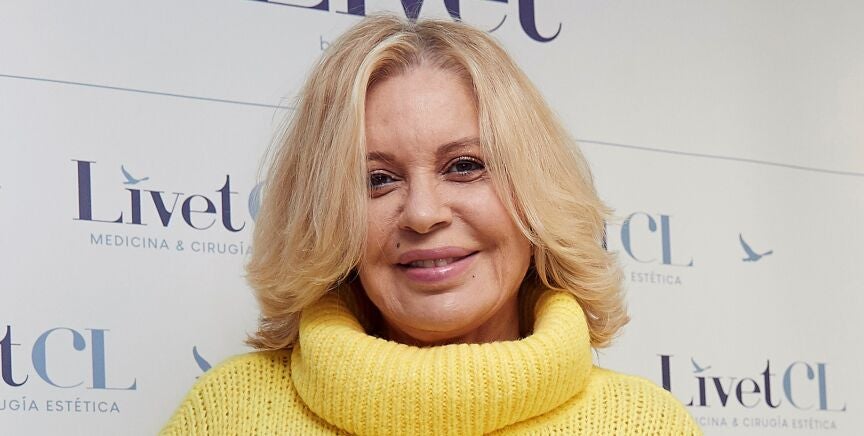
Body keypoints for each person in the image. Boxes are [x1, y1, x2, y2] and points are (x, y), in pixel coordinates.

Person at [162, 14, 700, 435]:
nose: (422, 213)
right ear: (325, 216)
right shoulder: (227, 416)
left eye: (464, 166)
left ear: (535, 193)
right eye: (377, 180)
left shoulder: (645, 425)